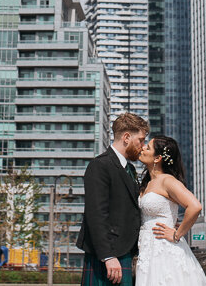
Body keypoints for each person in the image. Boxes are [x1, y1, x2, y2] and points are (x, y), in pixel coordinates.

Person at [77, 112, 149, 286]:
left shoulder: (129, 169)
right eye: (140, 140)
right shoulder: (100, 166)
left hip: (125, 252)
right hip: (107, 255)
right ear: (126, 137)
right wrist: (108, 256)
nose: (143, 145)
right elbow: (96, 214)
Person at [135, 135, 206, 286]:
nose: (142, 148)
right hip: (148, 249)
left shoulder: (167, 181)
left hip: (164, 248)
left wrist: (177, 234)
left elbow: (195, 206)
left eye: (148, 148)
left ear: (157, 158)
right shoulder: (148, 183)